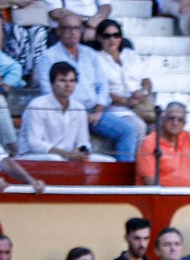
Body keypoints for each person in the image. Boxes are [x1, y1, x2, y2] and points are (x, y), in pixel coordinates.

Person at [39, 14, 145, 161]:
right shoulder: (49, 56)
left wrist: (99, 109)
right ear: (58, 31)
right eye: (67, 28)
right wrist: (78, 113)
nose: (72, 32)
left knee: (128, 130)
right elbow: (47, 91)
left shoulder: (90, 54)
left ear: (81, 31)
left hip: (94, 112)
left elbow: (103, 85)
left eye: (76, 28)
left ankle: (123, 173)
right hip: (65, 114)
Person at [18, 61, 108, 161]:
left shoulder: (79, 108)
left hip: (68, 157)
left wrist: (81, 152)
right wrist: (66, 154)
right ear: (52, 83)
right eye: (62, 81)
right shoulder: (37, 105)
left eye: (71, 81)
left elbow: (84, 141)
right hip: (34, 157)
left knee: (108, 161)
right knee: (55, 159)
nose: (68, 85)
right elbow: (34, 143)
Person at [135, 100, 190, 186]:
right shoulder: (150, 142)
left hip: (189, 194)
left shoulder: (189, 137)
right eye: (171, 118)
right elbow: (150, 181)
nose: (175, 123)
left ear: (185, 123)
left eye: (180, 120)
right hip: (161, 194)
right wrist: (171, 194)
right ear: (162, 119)